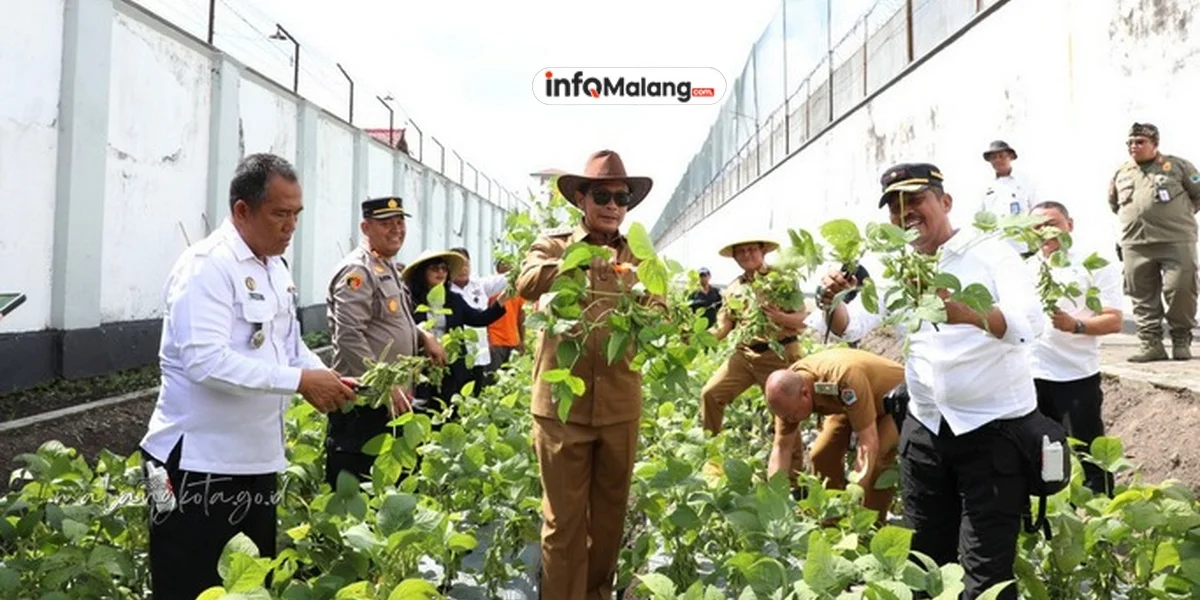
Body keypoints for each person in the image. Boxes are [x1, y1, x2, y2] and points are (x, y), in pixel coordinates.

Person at [814, 162, 1044, 600]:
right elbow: (852, 325)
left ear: (946, 201)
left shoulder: (990, 253)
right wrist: (830, 301)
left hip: (993, 431)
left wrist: (964, 311)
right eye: (895, 208)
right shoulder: (896, 267)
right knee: (924, 563)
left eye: (916, 200)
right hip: (925, 431)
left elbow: (1030, 323)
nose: (906, 213)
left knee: (986, 574)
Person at [138, 153, 358, 600]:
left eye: (296, 214)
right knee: (190, 586)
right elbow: (205, 361)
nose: (291, 226)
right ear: (242, 210)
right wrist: (300, 382)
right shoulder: (207, 266)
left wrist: (323, 376)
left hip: (254, 463)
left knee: (252, 587)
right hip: (195, 466)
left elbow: (288, 346)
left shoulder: (274, 268)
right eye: (280, 214)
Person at [516, 149, 658, 599]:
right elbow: (526, 280)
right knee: (563, 523)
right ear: (581, 198)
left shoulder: (639, 256)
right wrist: (578, 262)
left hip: (619, 406)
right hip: (562, 409)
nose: (613, 205)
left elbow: (662, 311)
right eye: (602, 196)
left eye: (622, 197)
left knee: (610, 520)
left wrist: (642, 299)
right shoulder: (554, 245)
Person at [323, 196, 448, 488]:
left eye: (400, 222)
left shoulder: (387, 267)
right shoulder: (358, 271)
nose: (396, 229)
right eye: (385, 223)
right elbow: (349, 335)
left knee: (391, 486)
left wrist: (423, 335)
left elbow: (389, 321)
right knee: (358, 485)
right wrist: (383, 384)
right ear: (365, 227)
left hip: (392, 399)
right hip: (365, 401)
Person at [1025, 201, 1124, 495]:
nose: (1045, 231)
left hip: (1075, 377)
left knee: (1090, 456)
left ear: (1070, 225)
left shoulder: (1093, 264)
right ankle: (1053, 513)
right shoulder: (1026, 268)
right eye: (1037, 226)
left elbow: (1114, 320)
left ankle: (1101, 512)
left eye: (1052, 223)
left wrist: (1076, 325)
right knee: (1042, 457)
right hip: (1031, 376)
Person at [763, 348, 905, 522]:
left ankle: (871, 524)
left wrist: (854, 492)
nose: (789, 421)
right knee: (821, 455)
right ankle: (831, 521)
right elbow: (781, 448)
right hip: (847, 405)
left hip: (893, 400)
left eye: (791, 416)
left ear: (805, 394)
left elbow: (868, 441)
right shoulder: (786, 397)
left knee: (877, 460)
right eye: (784, 417)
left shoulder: (843, 379)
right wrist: (774, 501)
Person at [1108, 122, 1200, 362]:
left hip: (1175, 240)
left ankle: (1181, 339)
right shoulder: (1122, 173)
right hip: (1136, 243)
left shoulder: (1178, 166)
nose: (1134, 146)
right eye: (1130, 142)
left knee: (1181, 289)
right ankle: (1151, 344)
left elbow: (1198, 193)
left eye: (1140, 142)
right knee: (1141, 295)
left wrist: (1180, 215)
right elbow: (1114, 204)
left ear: (1155, 144)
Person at [700, 237, 806, 435]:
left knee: (785, 413)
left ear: (763, 251)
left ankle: (789, 455)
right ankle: (710, 446)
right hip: (745, 356)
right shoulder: (733, 288)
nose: (746, 254)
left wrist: (781, 317)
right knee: (711, 394)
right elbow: (723, 327)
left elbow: (804, 320)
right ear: (734, 257)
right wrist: (697, 336)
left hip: (779, 354)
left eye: (751, 249)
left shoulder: (781, 279)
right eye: (741, 251)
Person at [403, 249, 506, 414]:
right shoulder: (410, 300)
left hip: (451, 368)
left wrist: (503, 298)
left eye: (444, 268)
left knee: (450, 411)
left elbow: (479, 319)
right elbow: (403, 328)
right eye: (435, 268)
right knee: (422, 411)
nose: (440, 272)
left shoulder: (454, 300)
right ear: (422, 273)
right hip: (420, 368)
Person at [448, 247, 509, 391]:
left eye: (466, 264)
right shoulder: (445, 292)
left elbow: (505, 279)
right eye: (459, 265)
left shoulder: (479, 285)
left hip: (479, 356)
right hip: (455, 358)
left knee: (475, 394)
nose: (463, 269)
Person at [980, 140, 1039, 256]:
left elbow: (1037, 211)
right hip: (996, 247)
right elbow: (980, 216)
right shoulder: (985, 185)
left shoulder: (1026, 181)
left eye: (1002, 156)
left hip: (1023, 245)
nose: (998, 160)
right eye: (994, 158)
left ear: (1010, 157)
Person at [486, 259, 526, 371]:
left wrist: (522, 340)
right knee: (493, 377)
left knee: (511, 377)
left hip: (513, 341)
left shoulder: (517, 290)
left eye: (508, 263)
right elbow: (483, 315)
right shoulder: (491, 288)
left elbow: (521, 316)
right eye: (503, 263)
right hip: (495, 341)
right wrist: (487, 340)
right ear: (497, 268)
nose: (507, 266)